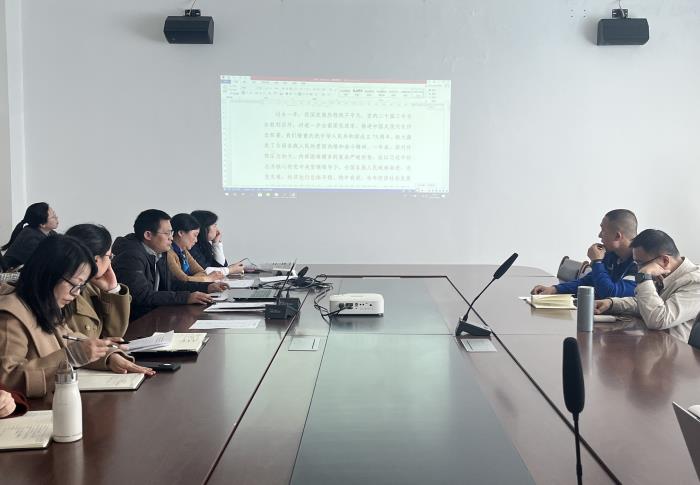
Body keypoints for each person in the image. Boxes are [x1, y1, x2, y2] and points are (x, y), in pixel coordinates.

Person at [0, 235, 153, 398]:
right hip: (34, 410)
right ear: (48, 274)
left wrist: (108, 356)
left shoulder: (43, 304)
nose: (77, 293)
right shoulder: (11, 316)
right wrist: (71, 357)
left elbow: (70, 339)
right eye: (74, 284)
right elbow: (6, 380)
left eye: (81, 286)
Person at [112, 210, 227, 321]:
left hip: (155, 315)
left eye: (171, 233)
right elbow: (143, 296)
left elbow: (171, 284)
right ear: (148, 235)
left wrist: (206, 287)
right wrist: (186, 297)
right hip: (136, 322)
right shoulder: (131, 256)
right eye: (167, 233)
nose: (171, 237)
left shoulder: (159, 252)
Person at [595, 229, 700, 342]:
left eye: (641, 263)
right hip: (653, 344)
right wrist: (611, 303)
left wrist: (644, 276)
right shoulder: (664, 274)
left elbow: (658, 319)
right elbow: (646, 304)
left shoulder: (695, 282)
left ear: (665, 260)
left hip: (673, 350)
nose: (638, 270)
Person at [531, 209, 638, 298]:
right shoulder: (612, 254)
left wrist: (597, 262)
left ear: (617, 236)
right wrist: (554, 289)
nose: (599, 235)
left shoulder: (640, 263)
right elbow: (588, 282)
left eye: (603, 230)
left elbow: (610, 293)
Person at [64, 224, 132, 339]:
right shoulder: (63, 291)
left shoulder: (93, 285)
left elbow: (115, 334)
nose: (110, 262)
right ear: (95, 260)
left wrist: (113, 289)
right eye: (109, 257)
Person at [167, 214, 225, 283]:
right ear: (181, 233)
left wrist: (192, 278)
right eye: (195, 235)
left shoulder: (184, 251)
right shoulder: (169, 253)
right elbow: (183, 280)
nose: (196, 240)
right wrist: (207, 278)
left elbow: (202, 272)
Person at [1, 202, 59, 269]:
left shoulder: (51, 233)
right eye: (53, 217)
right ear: (42, 224)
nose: (57, 217)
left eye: (55, 214)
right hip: (10, 273)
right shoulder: (30, 238)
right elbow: (46, 263)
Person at [190, 210, 244, 276]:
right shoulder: (191, 246)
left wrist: (216, 243)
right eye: (214, 226)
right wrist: (230, 270)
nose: (217, 230)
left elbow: (221, 267)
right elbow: (203, 271)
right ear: (204, 228)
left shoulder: (206, 245)